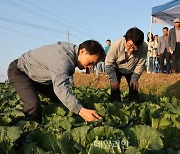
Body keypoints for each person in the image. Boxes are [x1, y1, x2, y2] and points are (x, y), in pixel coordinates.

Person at [7, 40, 105, 123]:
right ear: (82, 51)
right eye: (91, 62)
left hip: (37, 76)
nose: (91, 67)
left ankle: (57, 120)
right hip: (20, 71)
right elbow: (60, 88)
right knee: (33, 104)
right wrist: (81, 111)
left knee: (60, 100)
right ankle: (28, 132)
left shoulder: (71, 53)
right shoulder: (63, 59)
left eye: (94, 64)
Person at [105, 27, 148, 103]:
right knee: (115, 87)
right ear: (125, 40)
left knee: (133, 86)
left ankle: (134, 104)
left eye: (135, 48)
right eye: (129, 45)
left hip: (132, 68)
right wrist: (113, 80)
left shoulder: (144, 47)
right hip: (117, 67)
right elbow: (109, 63)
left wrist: (135, 78)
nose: (131, 50)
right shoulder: (116, 45)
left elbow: (141, 63)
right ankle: (115, 104)